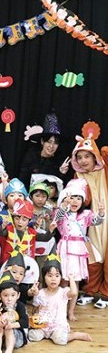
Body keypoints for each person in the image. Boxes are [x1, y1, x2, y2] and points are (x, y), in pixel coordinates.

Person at [69, 122, 108, 309]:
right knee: (93, 256)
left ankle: (106, 293)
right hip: (93, 221)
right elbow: (80, 200)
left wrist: (102, 152)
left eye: (87, 156)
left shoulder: (105, 168)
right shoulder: (79, 176)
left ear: (94, 156)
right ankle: (91, 290)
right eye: (80, 157)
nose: (84, 161)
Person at [54, 179, 105, 319]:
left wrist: (101, 213)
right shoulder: (61, 213)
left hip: (78, 251)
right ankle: (60, 310)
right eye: (72, 197)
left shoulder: (85, 214)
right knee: (63, 281)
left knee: (74, 281)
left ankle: (71, 311)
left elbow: (96, 222)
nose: (75, 201)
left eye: (78, 198)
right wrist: (63, 206)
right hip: (64, 249)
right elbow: (57, 219)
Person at [28, 255, 92, 345]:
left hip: (58, 326)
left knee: (60, 339)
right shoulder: (40, 292)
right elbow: (35, 309)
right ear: (44, 277)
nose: (53, 279)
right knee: (32, 336)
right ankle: (45, 334)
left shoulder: (63, 292)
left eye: (57, 276)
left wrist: (71, 279)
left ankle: (74, 335)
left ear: (61, 277)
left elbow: (74, 292)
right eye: (50, 276)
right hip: (43, 325)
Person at [19, 111, 69, 187]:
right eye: (49, 142)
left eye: (55, 143)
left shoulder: (60, 161)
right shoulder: (31, 157)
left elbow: (62, 187)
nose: (51, 146)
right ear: (42, 141)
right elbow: (22, 180)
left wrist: (61, 173)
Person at [0, 271, 29, 353]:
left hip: (16, 338)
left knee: (8, 329)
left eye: (13, 295)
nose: (9, 299)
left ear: (18, 295)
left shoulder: (20, 306)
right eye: (5, 295)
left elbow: (25, 322)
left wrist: (11, 325)